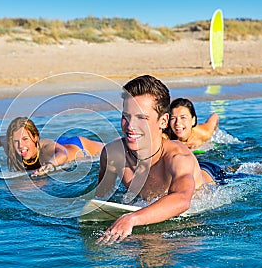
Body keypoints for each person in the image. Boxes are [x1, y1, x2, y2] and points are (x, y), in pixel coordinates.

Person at [95, 75, 222, 245]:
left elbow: (183, 199)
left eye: (142, 118)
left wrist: (132, 219)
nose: (130, 126)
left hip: (214, 175)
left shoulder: (178, 157)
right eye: (126, 116)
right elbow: (103, 197)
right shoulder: (112, 155)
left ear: (163, 121)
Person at [0, 117, 104, 176]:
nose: (20, 145)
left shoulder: (46, 148)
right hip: (58, 142)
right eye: (16, 141)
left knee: (111, 148)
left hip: (77, 147)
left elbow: (63, 154)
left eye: (25, 139)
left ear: (35, 137)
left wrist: (49, 166)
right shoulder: (11, 145)